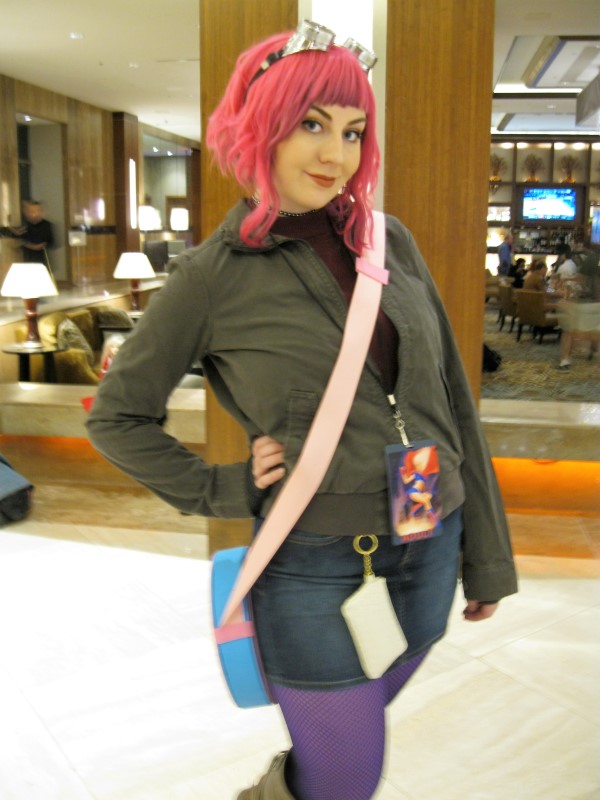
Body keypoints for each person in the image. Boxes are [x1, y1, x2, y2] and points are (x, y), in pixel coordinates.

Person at [87, 21, 517, 800]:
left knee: (337, 753)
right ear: (263, 127)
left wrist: (487, 554)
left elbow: (453, 398)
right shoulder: (212, 277)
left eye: (353, 131)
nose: (335, 154)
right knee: (350, 776)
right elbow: (116, 417)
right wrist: (222, 488)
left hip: (431, 526)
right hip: (314, 562)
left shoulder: (390, 243)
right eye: (312, 125)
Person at [12, 199, 55, 266]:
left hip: (41, 262)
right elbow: (15, 241)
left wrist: (25, 244)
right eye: (31, 211)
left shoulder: (46, 225)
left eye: (37, 211)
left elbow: (42, 244)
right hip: (24, 261)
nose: (34, 214)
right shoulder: (24, 226)